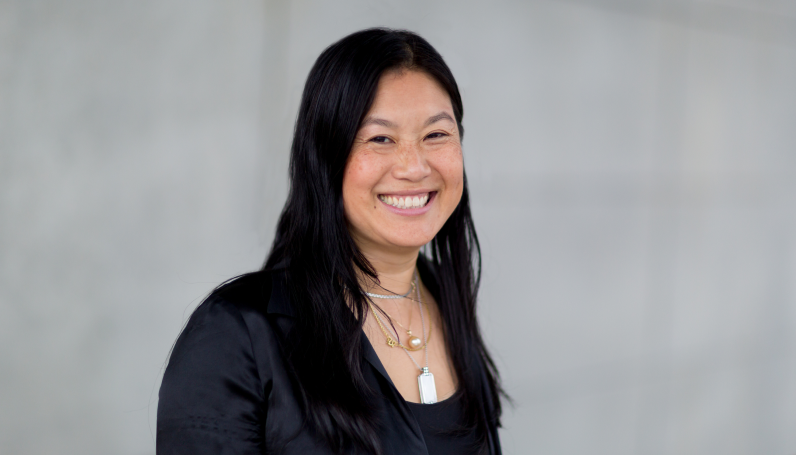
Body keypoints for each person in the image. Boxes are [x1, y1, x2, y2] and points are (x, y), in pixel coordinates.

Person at [157, 28, 504, 455]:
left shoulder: (445, 302)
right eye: (380, 139)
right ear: (324, 157)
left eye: (436, 135)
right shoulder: (237, 334)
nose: (414, 167)